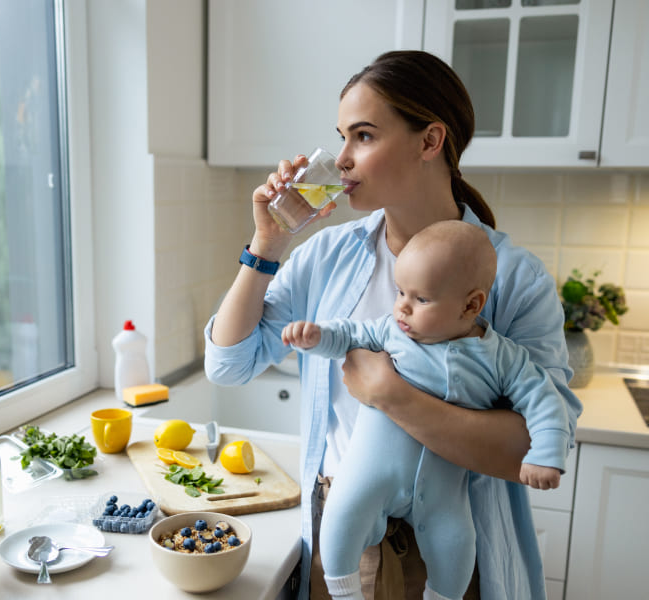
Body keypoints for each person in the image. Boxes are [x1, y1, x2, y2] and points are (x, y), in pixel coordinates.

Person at [204, 50, 582, 600]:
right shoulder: (326, 255)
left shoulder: (512, 277)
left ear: (430, 141)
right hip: (343, 533)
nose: (343, 160)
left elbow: (538, 443)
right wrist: (268, 244)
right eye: (341, 137)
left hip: (456, 543)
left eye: (363, 136)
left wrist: (390, 394)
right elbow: (228, 364)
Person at [281, 220, 570, 600]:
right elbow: (348, 334)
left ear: (471, 305)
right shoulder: (390, 330)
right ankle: (344, 592)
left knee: (457, 545)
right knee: (341, 517)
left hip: (442, 493)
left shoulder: (501, 357)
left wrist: (546, 455)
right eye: (400, 291)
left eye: (420, 299)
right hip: (370, 477)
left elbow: (544, 400)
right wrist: (318, 337)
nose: (401, 305)